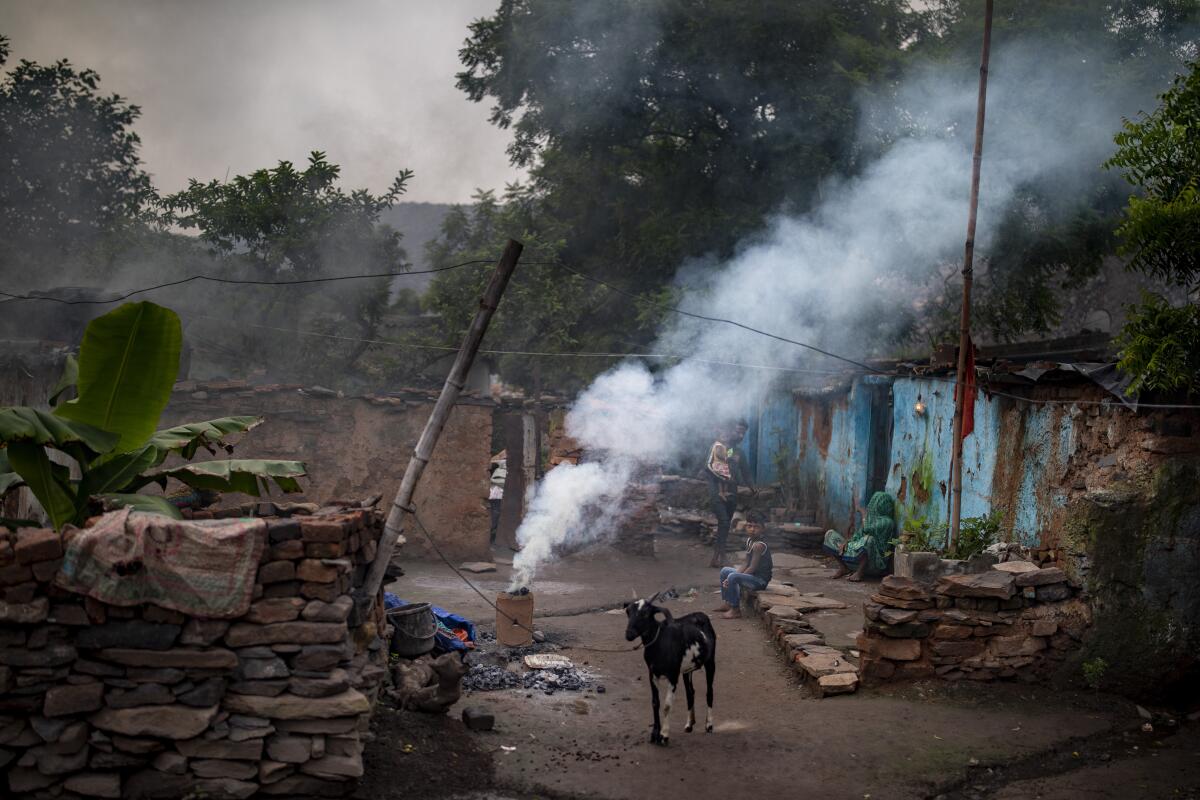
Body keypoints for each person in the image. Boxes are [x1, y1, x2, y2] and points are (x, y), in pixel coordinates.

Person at [706, 419, 753, 568]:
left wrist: (752, 487)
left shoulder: (738, 452)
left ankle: (716, 557)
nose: (740, 435)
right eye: (738, 431)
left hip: (732, 491)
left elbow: (746, 472)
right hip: (717, 491)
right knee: (724, 521)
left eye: (743, 433)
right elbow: (709, 467)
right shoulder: (718, 447)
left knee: (724, 525)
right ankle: (723, 557)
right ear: (730, 430)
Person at [823, 491, 896, 582]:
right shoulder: (871, 519)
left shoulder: (888, 522)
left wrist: (863, 513)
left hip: (874, 565)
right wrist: (847, 542)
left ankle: (860, 572)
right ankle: (844, 567)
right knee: (830, 534)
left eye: (875, 503)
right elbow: (858, 535)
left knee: (869, 540)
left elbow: (867, 529)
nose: (873, 506)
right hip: (855, 557)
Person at [712, 511, 772, 619]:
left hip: (760, 580)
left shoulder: (759, 545)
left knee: (733, 576)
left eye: (756, 527)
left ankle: (735, 610)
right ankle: (728, 603)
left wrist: (733, 577)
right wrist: (732, 576)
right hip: (752, 576)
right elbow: (745, 562)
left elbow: (752, 567)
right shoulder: (750, 541)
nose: (752, 529)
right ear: (746, 527)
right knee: (725, 571)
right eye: (750, 526)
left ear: (763, 529)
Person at [488, 459, 506, 544]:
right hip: (499, 497)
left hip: (493, 495)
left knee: (493, 515)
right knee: (495, 516)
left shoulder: (497, 471)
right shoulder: (505, 472)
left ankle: (491, 534)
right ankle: (491, 535)